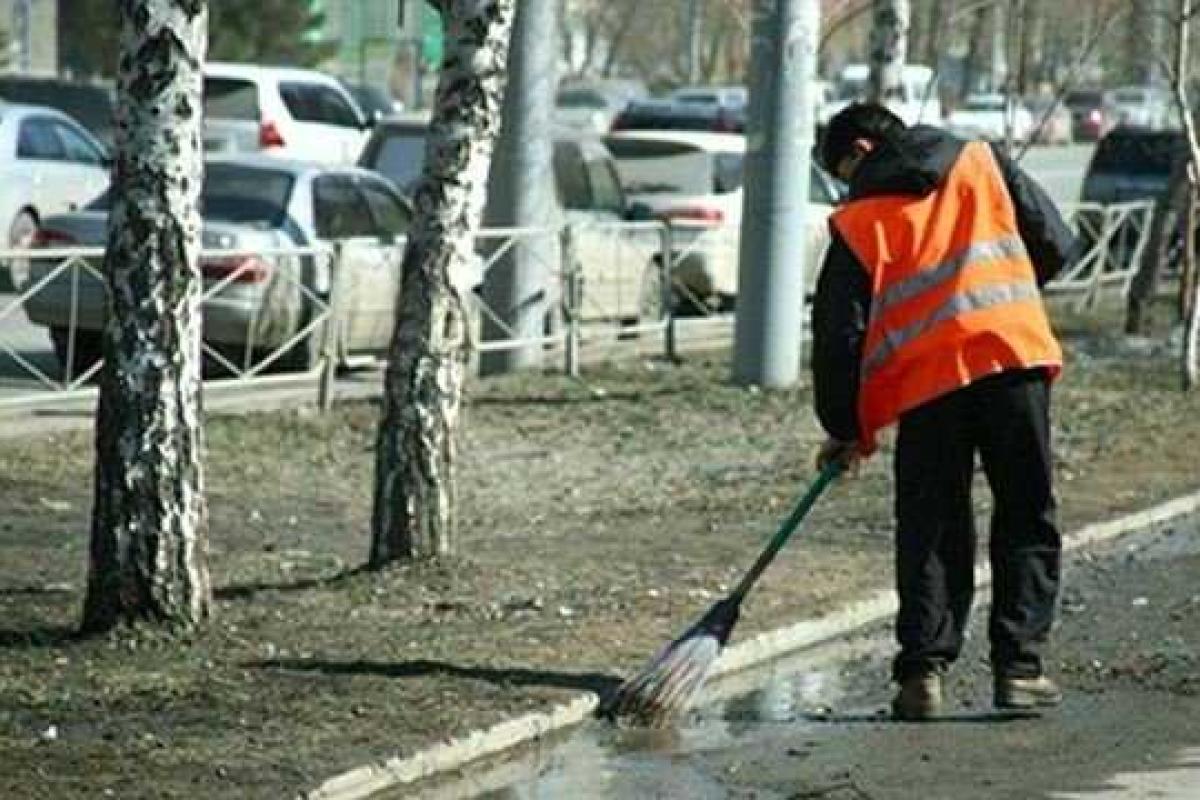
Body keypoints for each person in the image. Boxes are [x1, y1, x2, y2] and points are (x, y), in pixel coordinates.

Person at [811, 102, 1078, 721]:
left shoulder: (857, 222)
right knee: (1026, 510)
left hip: (928, 384)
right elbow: (1057, 245)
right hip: (1012, 357)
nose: (847, 186)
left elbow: (838, 337)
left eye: (842, 171)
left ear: (861, 151)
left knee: (931, 523)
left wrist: (846, 428)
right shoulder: (981, 161)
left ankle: (922, 676)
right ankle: (1020, 670)